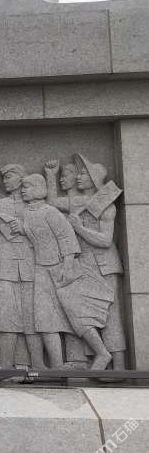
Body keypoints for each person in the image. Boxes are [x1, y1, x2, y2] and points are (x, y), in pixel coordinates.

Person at [0, 164, 45, 370]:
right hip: (6, 268)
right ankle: (6, 364)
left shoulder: (36, 205)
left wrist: (25, 229)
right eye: (3, 177)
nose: (5, 181)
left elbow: (48, 236)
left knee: (33, 315)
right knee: (6, 315)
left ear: (21, 178)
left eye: (9, 177)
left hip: (32, 267)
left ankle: (38, 364)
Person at [19, 174, 88, 369]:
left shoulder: (51, 212)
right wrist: (20, 228)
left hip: (59, 268)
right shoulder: (27, 212)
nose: (23, 190)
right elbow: (36, 235)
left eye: (27, 186)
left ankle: (84, 358)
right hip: (41, 269)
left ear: (38, 189)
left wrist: (67, 265)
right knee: (44, 320)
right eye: (22, 187)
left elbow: (66, 237)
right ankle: (57, 366)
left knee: (71, 316)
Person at [69, 155, 126, 370]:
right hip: (86, 265)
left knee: (110, 315)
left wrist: (79, 228)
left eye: (83, 173)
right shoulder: (82, 203)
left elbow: (105, 240)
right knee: (85, 312)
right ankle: (99, 356)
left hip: (105, 266)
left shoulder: (107, 206)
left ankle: (119, 367)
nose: (78, 177)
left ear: (94, 178)